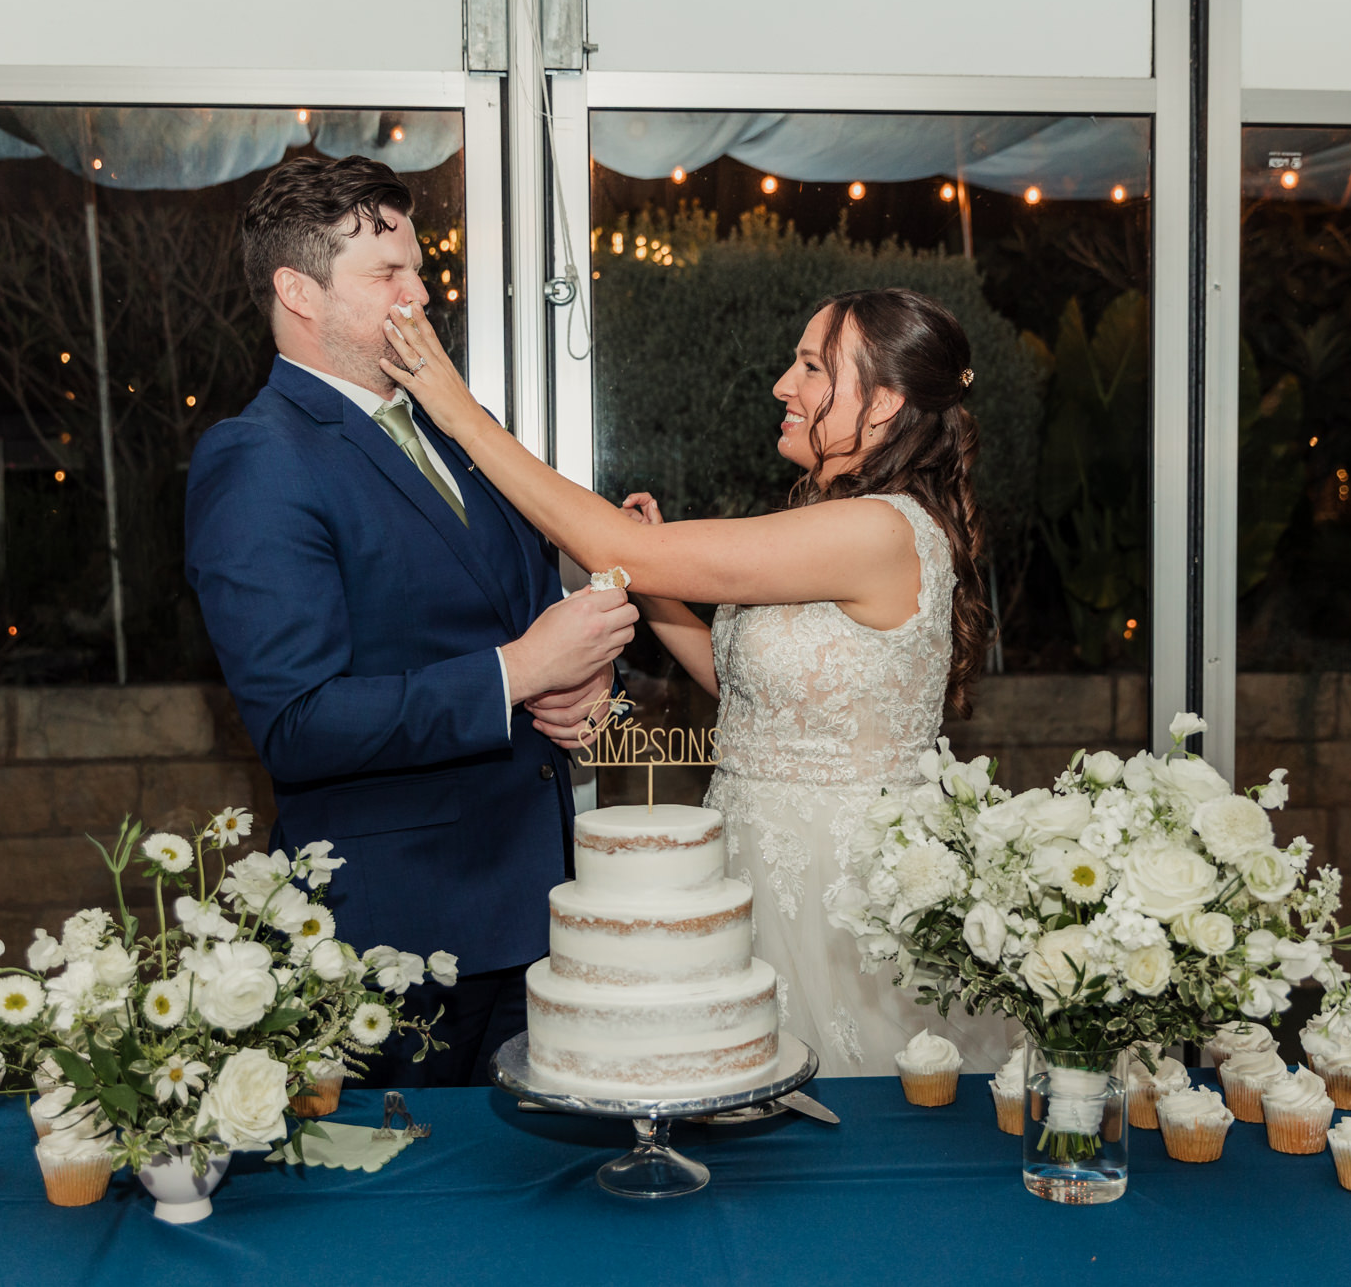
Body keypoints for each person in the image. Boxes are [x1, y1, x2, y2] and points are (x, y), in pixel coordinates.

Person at [384, 285, 1018, 1077]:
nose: (784, 385)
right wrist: (653, 584)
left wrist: (459, 415)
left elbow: (612, 544)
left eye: (813, 367)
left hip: (839, 886)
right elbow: (746, 690)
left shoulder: (877, 527)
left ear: (884, 403)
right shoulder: (848, 523)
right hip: (750, 856)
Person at [184, 155, 636, 1086]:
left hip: (538, 913)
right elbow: (299, 724)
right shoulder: (258, 459)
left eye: (418, 269)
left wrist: (589, 683)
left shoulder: (456, 431)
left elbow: (532, 615)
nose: (420, 294)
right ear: (296, 291)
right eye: (387, 275)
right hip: (391, 945)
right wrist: (515, 674)